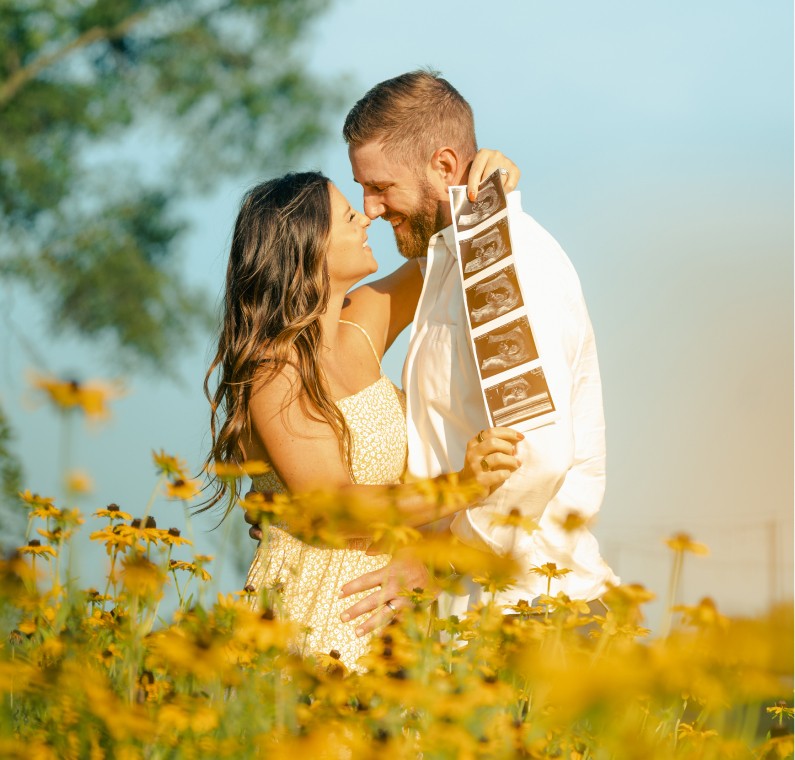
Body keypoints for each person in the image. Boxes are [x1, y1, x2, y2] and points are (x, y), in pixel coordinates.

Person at [203, 164, 523, 671]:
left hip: (391, 617)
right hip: (313, 616)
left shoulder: (363, 323)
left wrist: (484, 178)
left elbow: (447, 251)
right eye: (350, 215)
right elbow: (333, 505)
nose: (367, 220)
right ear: (311, 246)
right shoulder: (274, 370)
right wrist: (459, 487)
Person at [333, 69, 619, 634]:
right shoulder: (448, 261)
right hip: (479, 616)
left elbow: (535, 452)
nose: (369, 207)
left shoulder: (501, 270)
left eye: (381, 187)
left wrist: (435, 558)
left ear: (442, 165)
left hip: (534, 616)